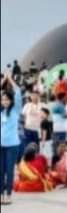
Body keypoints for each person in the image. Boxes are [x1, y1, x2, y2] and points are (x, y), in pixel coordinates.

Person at [1, 72, 23, 204]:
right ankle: (1, 195)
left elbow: (18, 91)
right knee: (0, 171)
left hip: (12, 145)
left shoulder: (15, 110)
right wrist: (3, 80)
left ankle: (8, 195)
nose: (5, 101)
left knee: (9, 171)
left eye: (7, 99)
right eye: (3, 99)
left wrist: (9, 79)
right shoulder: (1, 111)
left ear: (11, 101)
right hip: (1, 145)